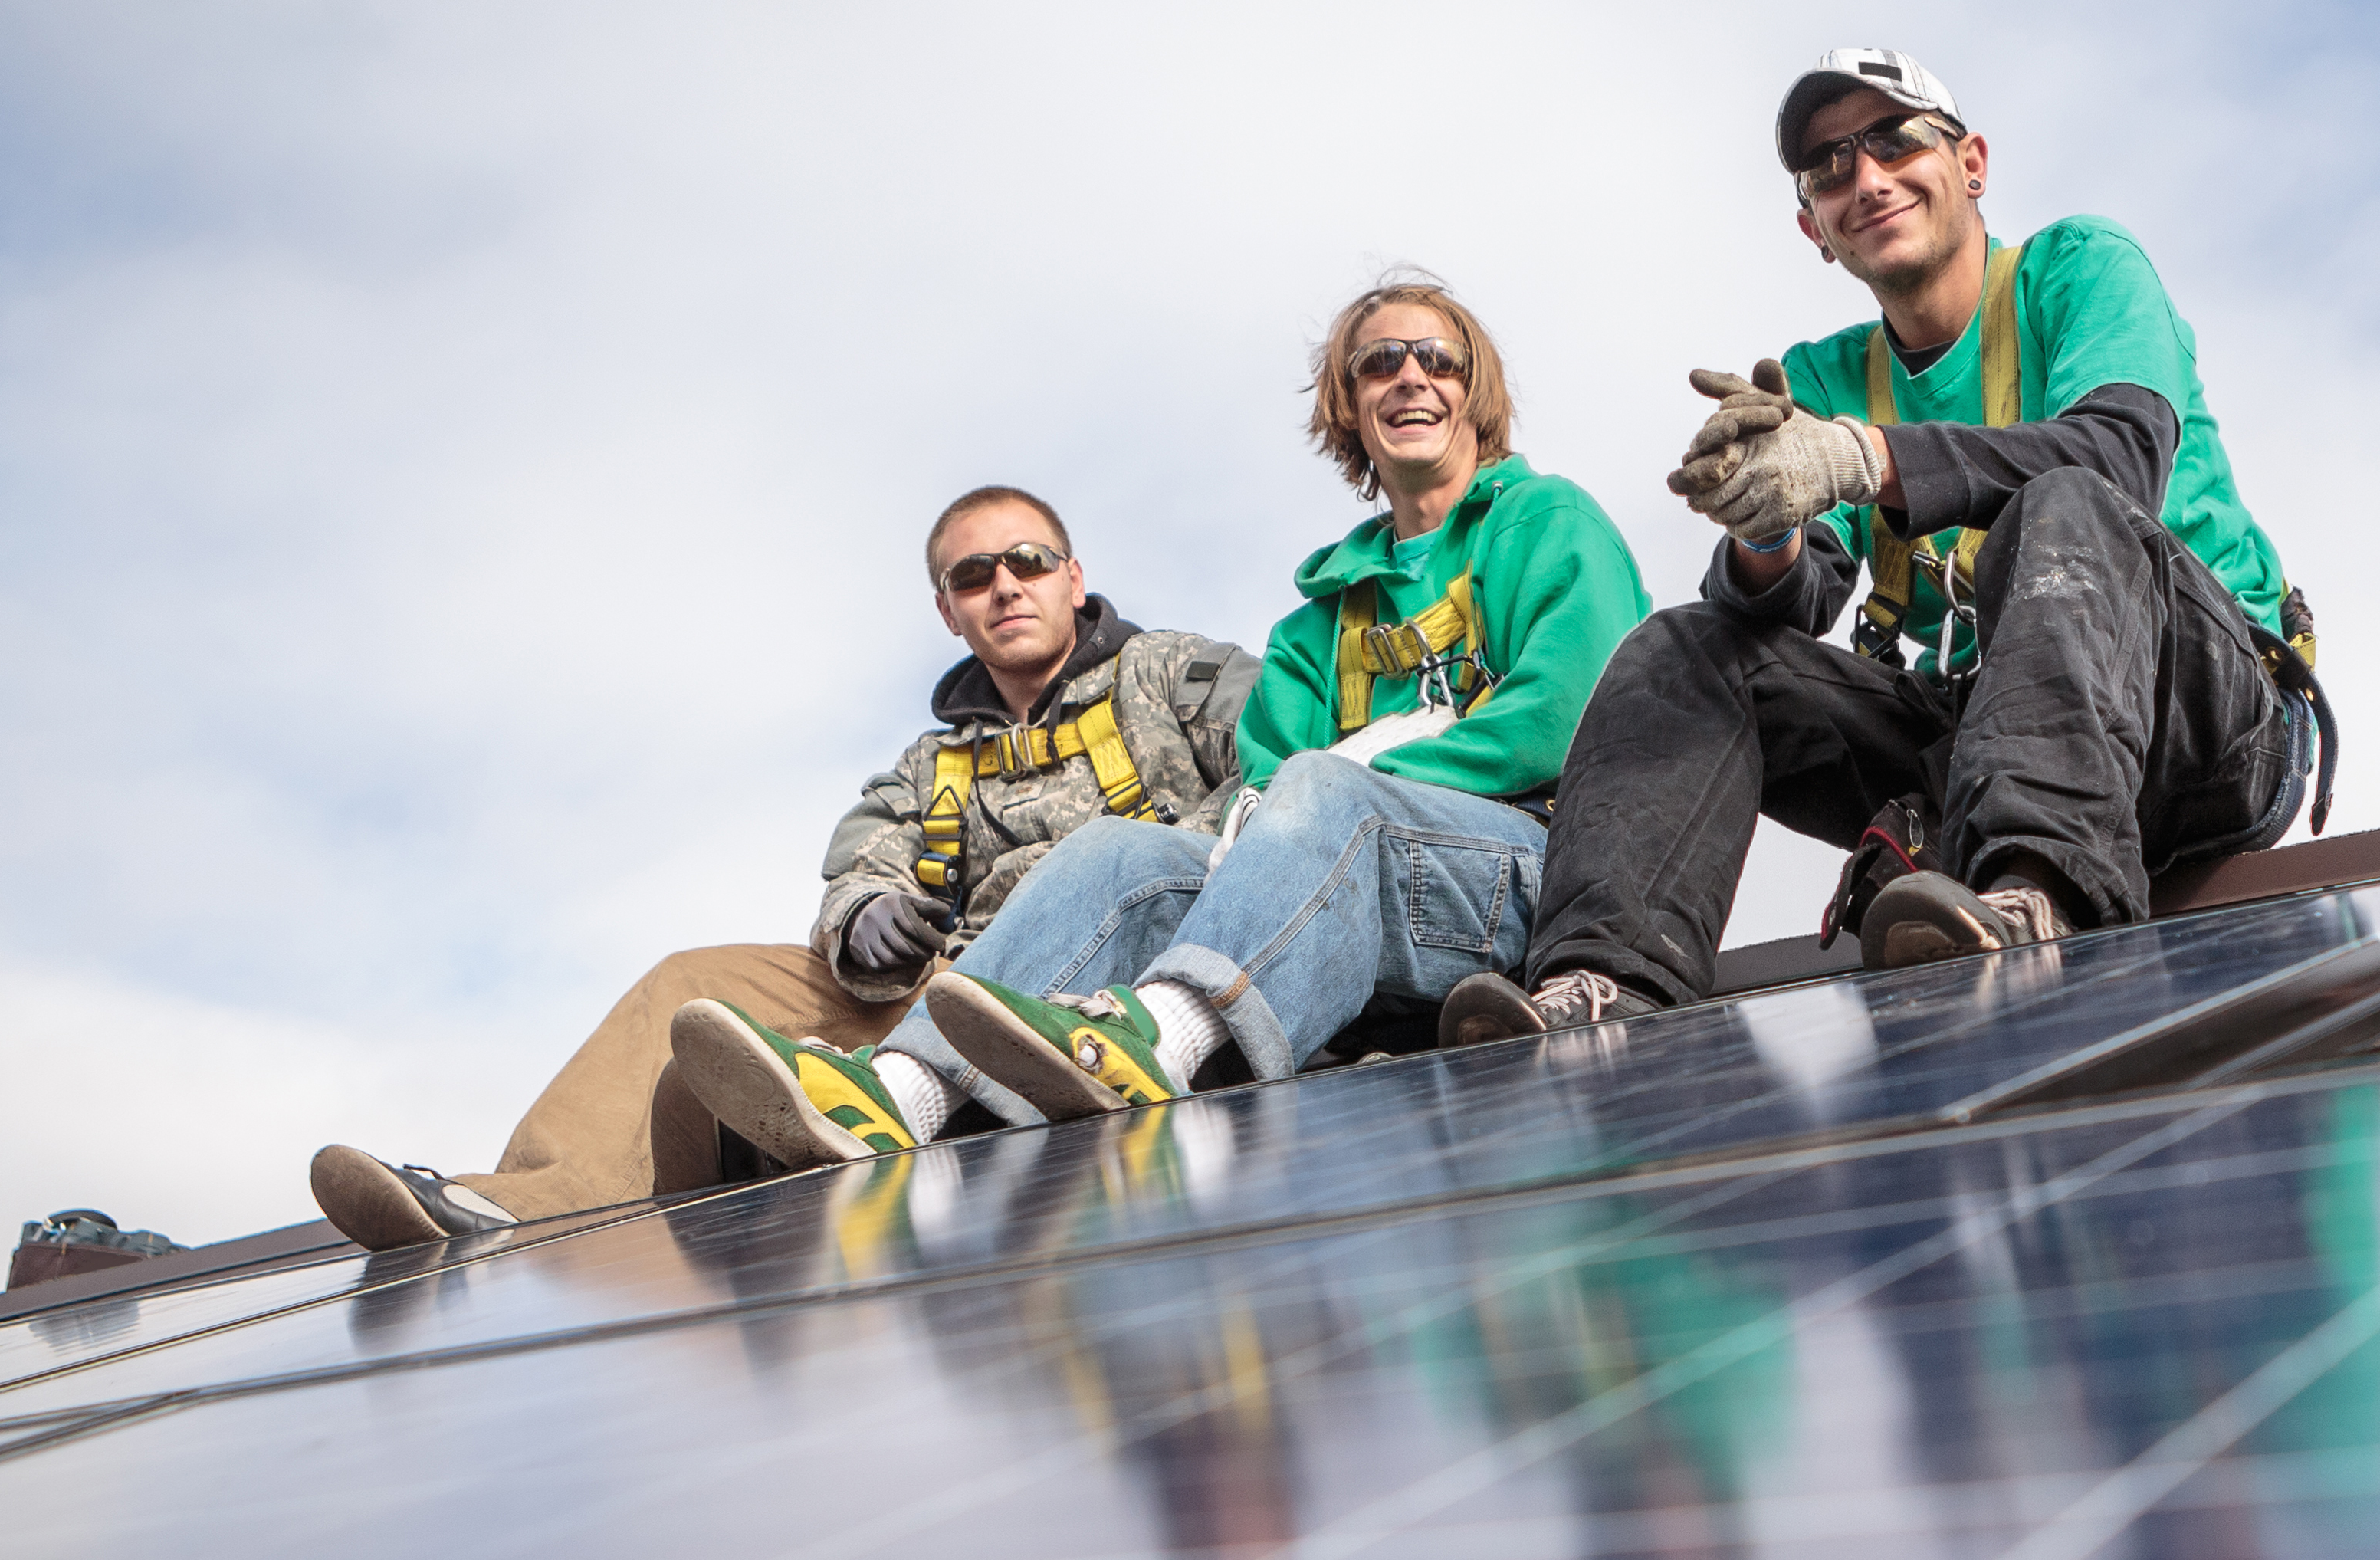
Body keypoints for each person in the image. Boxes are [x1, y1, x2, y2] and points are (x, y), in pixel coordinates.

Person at [1440, 44, 2326, 1044]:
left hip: (2208, 720)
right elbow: (1794, 604)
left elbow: (2119, 455)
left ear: (1972, 162)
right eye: (1829, 167)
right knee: (1685, 648)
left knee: (2063, 502)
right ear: (1813, 228)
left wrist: (1864, 458)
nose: (1865, 176)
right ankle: (1601, 988)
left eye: (1896, 139)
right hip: (1989, 751)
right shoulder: (1824, 376)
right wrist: (1767, 525)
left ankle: (2038, 907)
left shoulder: (2077, 269)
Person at [667, 272, 1652, 1163]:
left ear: (1472, 392)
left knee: (1322, 785)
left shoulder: (1547, 524)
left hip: (1512, 869)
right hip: (1345, 892)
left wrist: (1364, 766)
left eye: (1436, 359)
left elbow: (1569, 714)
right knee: (1116, 851)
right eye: (1377, 363)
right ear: (1348, 407)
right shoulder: (1317, 623)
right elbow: (1264, 792)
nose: (1408, 378)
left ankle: (1160, 1039)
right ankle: (892, 1099)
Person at [300, 487, 1254, 1247]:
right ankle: (510, 1206)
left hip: (1121, 964)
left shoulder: (1171, 675)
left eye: (1028, 562)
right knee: (690, 982)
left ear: (1072, 577)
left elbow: (1281, 763)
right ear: (947, 609)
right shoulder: (934, 765)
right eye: (973, 575)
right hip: (952, 976)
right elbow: (863, 862)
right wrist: (867, 920)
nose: (1004, 586)